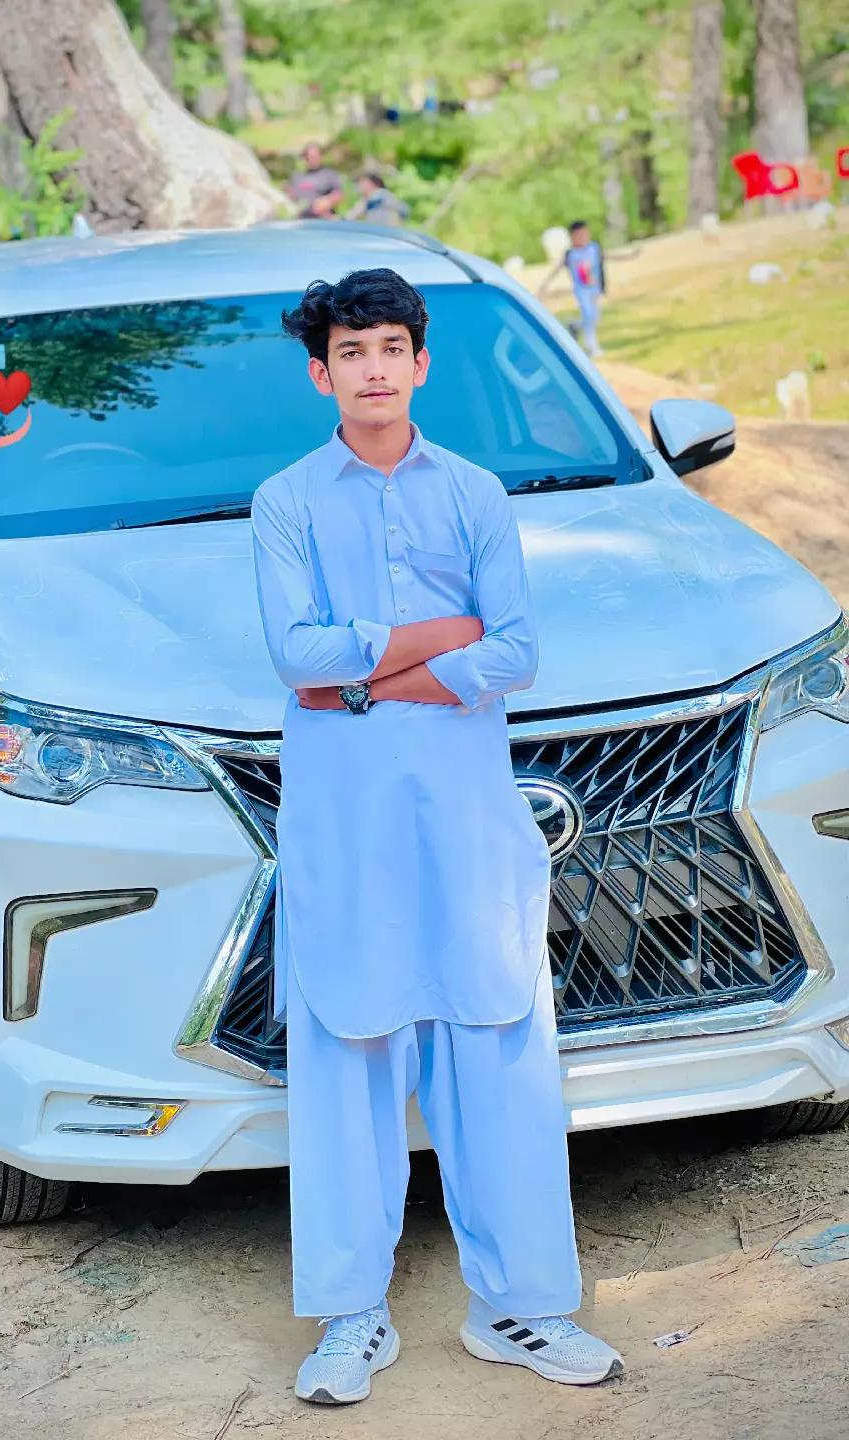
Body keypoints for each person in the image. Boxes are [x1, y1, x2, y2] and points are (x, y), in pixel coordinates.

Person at [250, 269, 623, 1407]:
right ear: (321, 374)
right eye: (349, 351)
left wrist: (366, 675)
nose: (371, 368)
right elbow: (295, 657)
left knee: (496, 1043)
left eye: (389, 349)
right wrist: (437, 640)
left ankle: (519, 1308)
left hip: (466, 814)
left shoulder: (473, 493)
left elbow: (514, 651)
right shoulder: (286, 502)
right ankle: (351, 1317)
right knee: (347, 1048)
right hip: (345, 818)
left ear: (420, 363)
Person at [540, 220, 605, 357]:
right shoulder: (571, 254)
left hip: (595, 289)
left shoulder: (594, 248)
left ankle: (575, 325)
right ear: (572, 237)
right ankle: (592, 347)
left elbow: (605, 258)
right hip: (582, 291)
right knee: (588, 315)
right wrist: (545, 284)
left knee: (594, 317)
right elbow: (558, 268)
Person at [286, 143, 345, 220]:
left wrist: (327, 201)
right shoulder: (297, 177)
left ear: (321, 156)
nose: (312, 159)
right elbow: (290, 198)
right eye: (309, 157)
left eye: (315, 157)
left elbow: (339, 195)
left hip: (322, 220)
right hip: (301, 219)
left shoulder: (329, 174)